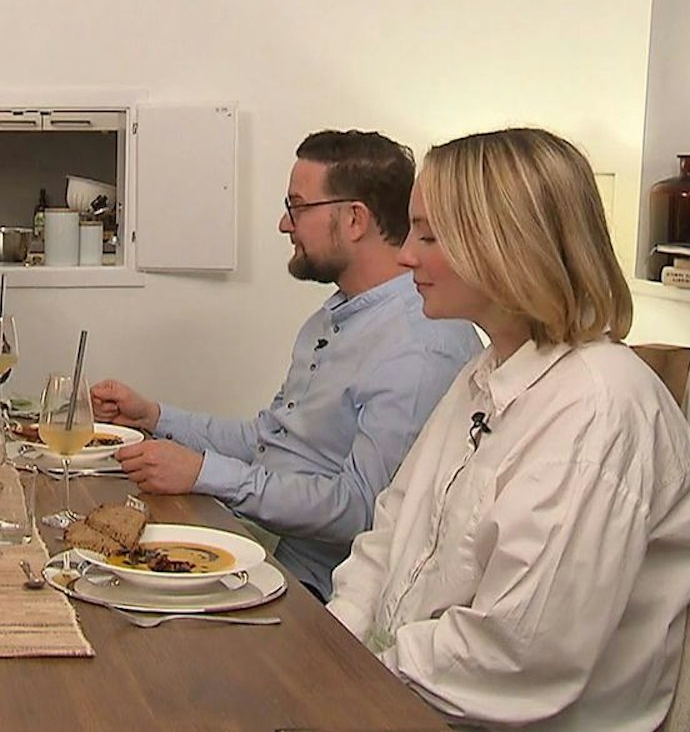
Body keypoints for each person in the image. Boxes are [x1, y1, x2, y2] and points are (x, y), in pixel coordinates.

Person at [328, 127, 690, 732]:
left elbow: (520, 651)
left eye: (428, 235)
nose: (406, 256)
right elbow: (388, 536)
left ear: (506, 245)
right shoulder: (489, 373)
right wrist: (332, 650)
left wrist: (355, 680)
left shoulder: (599, 408)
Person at [90, 130, 480, 601]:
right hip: (260, 545)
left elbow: (365, 512)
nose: (283, 224)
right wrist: (155, 417)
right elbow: (266, 440)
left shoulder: (419, 345)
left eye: (297, 207)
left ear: (355, 219)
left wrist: (206, 473)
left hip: (315, 590)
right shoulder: (331, 319)